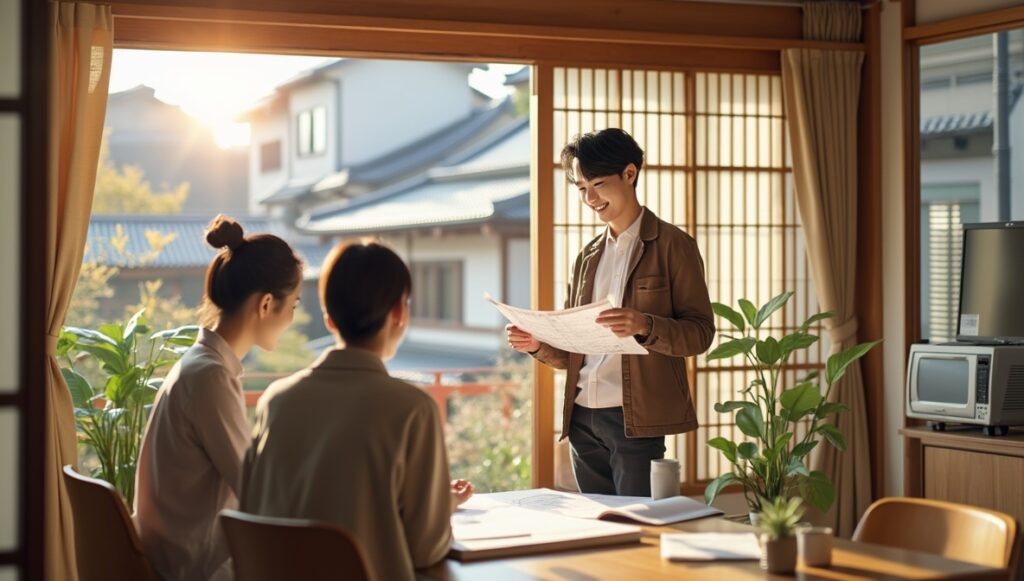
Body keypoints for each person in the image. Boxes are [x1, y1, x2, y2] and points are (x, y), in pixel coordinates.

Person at [239, 240, 474, 581]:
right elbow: (426, 548)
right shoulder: (412, 409)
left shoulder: (275, 401)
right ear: (398, 313)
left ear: (329, 318)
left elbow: (253, 517)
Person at [506, 128, 715, 496]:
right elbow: (574, 352)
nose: (590, 198)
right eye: (582, 188)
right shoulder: (587, 257)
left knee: (637, 531)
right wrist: (537, 344)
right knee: (599, 529)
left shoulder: (674, 246)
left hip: (635, 420)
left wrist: (644, 324)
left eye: (598, 184)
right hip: (582, 416)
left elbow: (700, 334)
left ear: (630, 174)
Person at [134, 215, 304, 581]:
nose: (291, 317)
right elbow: (257, 491)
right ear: (265, 304)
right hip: (197, 569)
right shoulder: (210, 376)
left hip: (171, 556)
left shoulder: (201, 364)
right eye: (293, 305)